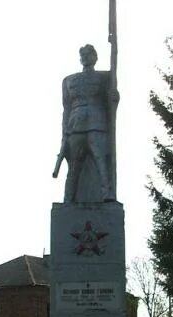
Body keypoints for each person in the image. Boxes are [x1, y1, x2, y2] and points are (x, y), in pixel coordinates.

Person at [53, 44, 118, 203]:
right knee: (74, 167)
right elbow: (66, 109)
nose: (86, 57)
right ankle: (68, 198)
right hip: (75, 127)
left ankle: (107, 194)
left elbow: (112, 99)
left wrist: (115, 96)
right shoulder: (69, 80)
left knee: (101, 162)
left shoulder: (105, 78)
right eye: (83, 55)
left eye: (89, 54)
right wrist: (64, 135)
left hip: (97, 124)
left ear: (95, 57)